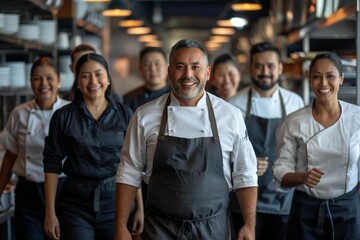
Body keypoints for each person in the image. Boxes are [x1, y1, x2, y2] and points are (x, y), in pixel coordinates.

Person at [115, 39, 258, 240]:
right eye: (180, 67)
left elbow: (246, 174)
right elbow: (128, 172)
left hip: (213, 229)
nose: (188, 75)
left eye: (195, 67)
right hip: (160, 229)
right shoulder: (144, 115)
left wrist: (249, 225)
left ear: (207, 73)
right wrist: (121, 226)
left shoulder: (230, 116)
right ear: (169, 71)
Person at [43, 53, 143, 240]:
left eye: (99, 74)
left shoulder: (125, 114)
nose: (93, 81)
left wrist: (140, 208)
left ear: (108, 79)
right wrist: (50, 213)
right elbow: (51, 164)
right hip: (75, 204)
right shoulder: (63, 116)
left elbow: (132, 163)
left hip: (116, 204)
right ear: (78, 82)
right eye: (85, 75)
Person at [273, 52, 360, 240]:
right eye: (316, 77)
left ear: (341, 79)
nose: (323, 84)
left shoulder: (357, 118)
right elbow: (280, 169)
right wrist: (301, 176)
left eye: (330, 76)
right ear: (309, 79)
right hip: (306, 209)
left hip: (347, 208)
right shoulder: (294, 121)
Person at [229, 42, 304, 240]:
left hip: (283, 200)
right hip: (242, 202)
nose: (265, 72)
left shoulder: (295, 103)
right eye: (259, 66)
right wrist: (245, 162)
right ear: (250, 68)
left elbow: (303, 150)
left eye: (270, 66)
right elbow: (224, 154)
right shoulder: (234, 105)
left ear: (280, 68)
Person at [0, 56, 69, 240]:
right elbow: (10, 155)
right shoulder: (19, 113)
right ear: (30, 82)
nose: (43, 83)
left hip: (63, 192)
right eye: (37, 78)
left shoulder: (70, 112)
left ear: (59, 81)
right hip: (28, 193)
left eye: (49, 78)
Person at [123, 46, 171, 112]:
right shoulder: (128, 99)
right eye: (147, 64)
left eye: (157, 64)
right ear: (140, 69)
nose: (153, 69)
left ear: (167, 67)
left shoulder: (177, 96)